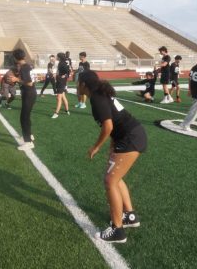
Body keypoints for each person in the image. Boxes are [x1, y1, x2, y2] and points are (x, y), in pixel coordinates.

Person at [78, 70, 147, 243]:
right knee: (116, 178)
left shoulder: (96, 98)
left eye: (78, 82)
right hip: (129, 136)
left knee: (110, 181)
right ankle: (130, 216)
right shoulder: (100, 94)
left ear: (84, 85)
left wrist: (96, 147)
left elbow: (108, 126)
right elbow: (115, 123)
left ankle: (118, 230)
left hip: (130, 137)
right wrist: (113, 145)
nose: (76, 86)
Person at [8, 49, 37, 150]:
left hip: (29, 93)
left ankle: (28, 142)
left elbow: (29, 83)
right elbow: (32, 80)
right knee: (26, 116)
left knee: (23, 118)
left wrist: (16, 80)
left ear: (16, 58)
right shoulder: (28, 66)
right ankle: (30, 135)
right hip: (30, 93)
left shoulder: (24, 68)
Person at [52, 52, 70, 118]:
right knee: (63, 96)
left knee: (59, 97)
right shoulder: (63, 62)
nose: (56, 57)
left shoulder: (62, 63)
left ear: (59, 57)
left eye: (57, 56)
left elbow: (67, 71)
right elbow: (68, 71)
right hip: (61, 81)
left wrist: (64, 75)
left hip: (61, 81)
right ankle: (67, 110)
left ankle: (56, 113)